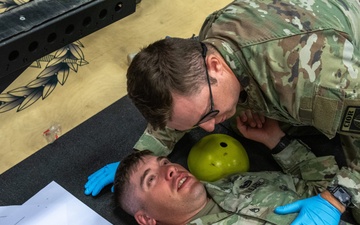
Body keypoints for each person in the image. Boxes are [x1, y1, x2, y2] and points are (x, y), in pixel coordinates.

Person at [85, 0, 360, 221]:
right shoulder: (206, 46)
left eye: (209, 114)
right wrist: (141, 156)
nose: (210, 128)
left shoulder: (319, 84)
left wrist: (336, 198)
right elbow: (184, 104)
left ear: (216, 66)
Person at [113, 118, 360, 225]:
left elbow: (320, 190)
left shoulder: (237, 183)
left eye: (165, 162)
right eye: (151, 179)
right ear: (146, 219)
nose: (170, 170)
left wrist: (277, 142)